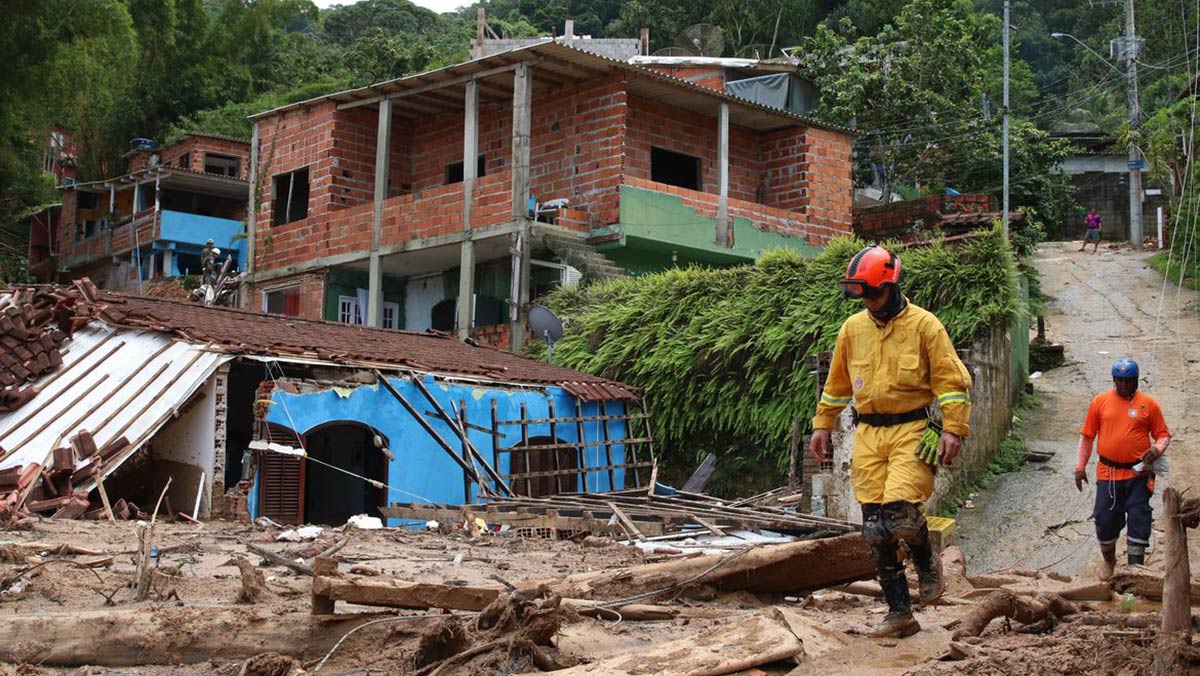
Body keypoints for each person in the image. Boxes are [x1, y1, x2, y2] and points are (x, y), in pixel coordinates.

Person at [810, 245, 973, 638]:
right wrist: (822, 425)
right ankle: (900, 612)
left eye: (874, 293)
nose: (868, 301)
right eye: (862, 295)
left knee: (899, 513)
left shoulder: (926, 326)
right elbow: (836, 386)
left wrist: (953, 428)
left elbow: (952, 384)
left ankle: (926, 560)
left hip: (913, 430)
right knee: (874, 528)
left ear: (894, 285)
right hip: (868, 433)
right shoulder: (853, 329)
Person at [1074, 358, 1170, 579]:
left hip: (1139, 474)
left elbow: (1163, 435)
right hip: (1108, 473)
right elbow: (1087, 437)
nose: (1125, 385)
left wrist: (1157, 450)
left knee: (1139, 518)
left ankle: (1134, 572)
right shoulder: (1100, 402)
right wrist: (1080, 467)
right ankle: (1109, 561)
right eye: (1120, 381)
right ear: (1114, 380)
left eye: (1129, 381)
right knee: (1105, 520)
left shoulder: (1149, 404)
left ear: (1136, 381)